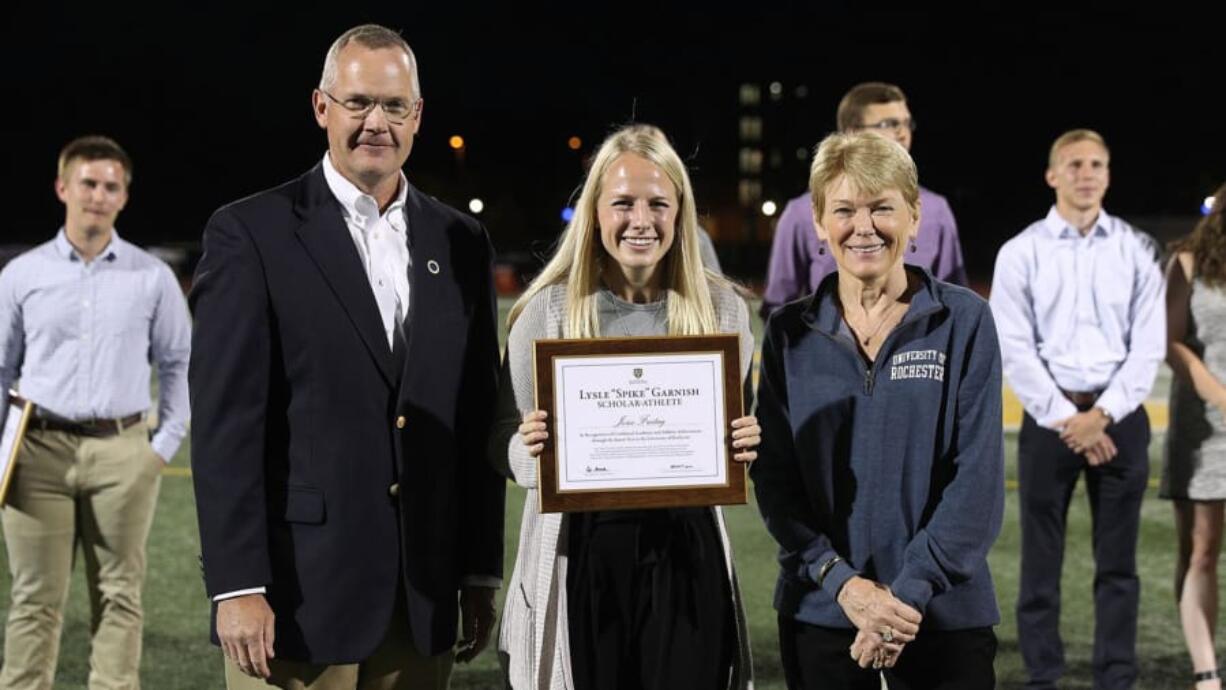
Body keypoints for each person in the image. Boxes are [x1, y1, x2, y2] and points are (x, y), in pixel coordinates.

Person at [189, 23, 504, 688]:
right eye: (358, 102)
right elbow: (226, 430)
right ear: (321, 107)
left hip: (420, 599)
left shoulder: (461, 241)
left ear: (417, 116)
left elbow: (472, 417)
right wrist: (237, 584)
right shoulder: (251, 233)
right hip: (298, 600)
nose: (376, 123)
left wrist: (478, 570)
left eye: (393, 106)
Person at [490, 124, 759, 690]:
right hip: (579, 554)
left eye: (659, 204)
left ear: (680, 212)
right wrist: (527, 450)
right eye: (623, 203)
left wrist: (747, 445)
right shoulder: (546, 311)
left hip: (688, 551)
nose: (642, 220)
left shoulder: (724, 311)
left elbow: (738, 438)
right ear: (594, 211)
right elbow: (502, 433)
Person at [752, 131, 1004, 689]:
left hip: (940, 616)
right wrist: (843, 584)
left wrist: (901, 597)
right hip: (821, 610)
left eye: (882, 209)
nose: (863, 227)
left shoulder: (965, 322)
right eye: (844, 210)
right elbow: (774, 479)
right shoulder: (788, 333)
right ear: (819, 223)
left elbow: (978, 484)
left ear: (914, 218)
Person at [0, 135, 191, 688]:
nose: (99, 195)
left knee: (120, 596)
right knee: (34, 599)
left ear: (124, 198)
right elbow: (3, 369)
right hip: (37, 452)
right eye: (88, 183)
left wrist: (161, 448)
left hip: (123, 452)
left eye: (112, 186)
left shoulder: (150, 276)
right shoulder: (23, 274)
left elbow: (178, 363)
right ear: (63, 188)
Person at [990, 129, 1165, 690]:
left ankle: (1116, 676)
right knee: (1040, 565)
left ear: (1108, 174)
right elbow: (1013, 345)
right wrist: (1070, 419)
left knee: (1119, 566)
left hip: (1120, 422)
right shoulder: (1021, 252)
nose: (1086, 173)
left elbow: (1149, 346)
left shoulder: (1137, 249)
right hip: (1050, 426)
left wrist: (1103, 415)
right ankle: (1044, 675)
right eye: (1074, 164)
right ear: (1052, 175)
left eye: (1096, 164)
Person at [762, 81, 966, 316]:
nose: (902, 132)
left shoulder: (936, 210)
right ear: (851, 132)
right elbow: (778, 305)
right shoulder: (800, 214)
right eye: (888, 124)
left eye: (906, 123)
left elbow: (955, 301)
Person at [1161, 182, 1226, 689]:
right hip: (1204, 428)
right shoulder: (1187, 262)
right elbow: (1172, 342)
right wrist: (1219, 395)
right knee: (1201, 549)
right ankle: (1206, 671)